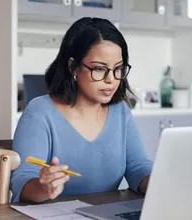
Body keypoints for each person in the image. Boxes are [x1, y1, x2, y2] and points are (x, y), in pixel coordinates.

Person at [11, 17, 153, 203]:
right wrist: (43, 187)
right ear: (73, 67)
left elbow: (137, 167)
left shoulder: (121, 112)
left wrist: (160, 182)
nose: (111, 79)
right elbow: (22, 181)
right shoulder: (40, 113)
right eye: (100, 69)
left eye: (118, 68)